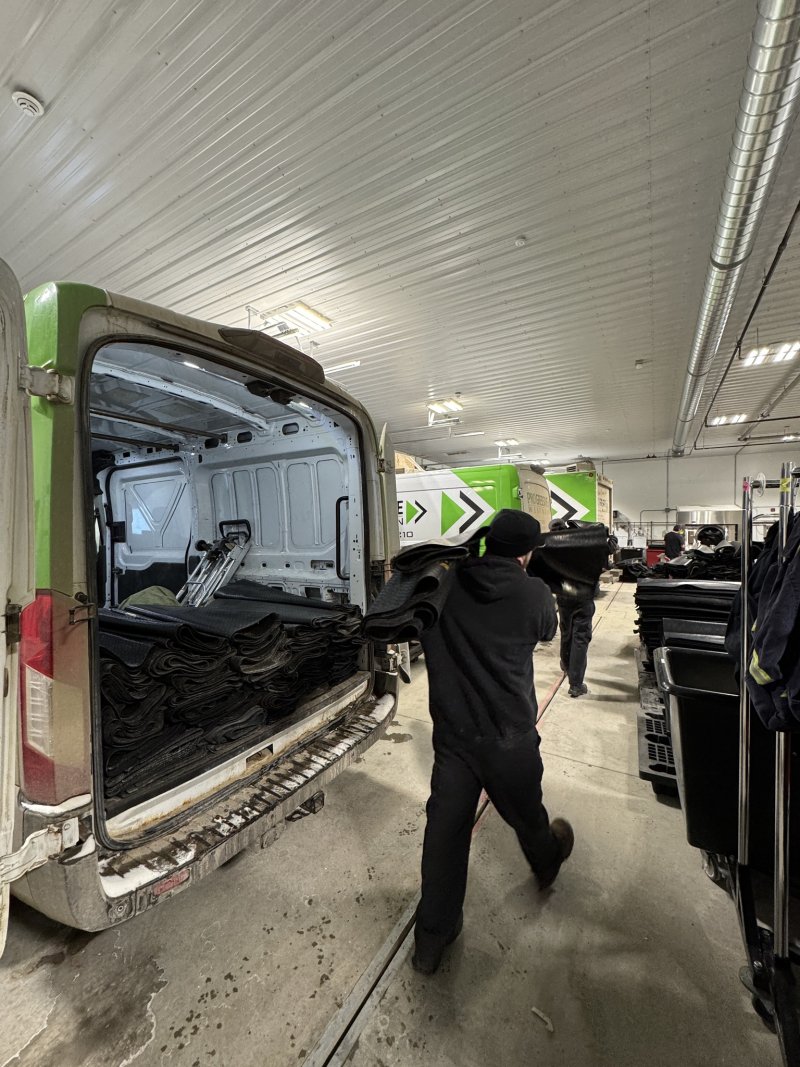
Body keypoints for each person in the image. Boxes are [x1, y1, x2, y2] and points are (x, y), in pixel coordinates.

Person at [412, 509, 575, 975]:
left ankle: (432, 938)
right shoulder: (533, 593)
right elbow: (547, 630)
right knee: (527, 815)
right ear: (526, 554)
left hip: (454, 737)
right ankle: (547, 862)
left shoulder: (444, 582)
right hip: (508, 737)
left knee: (445, 833)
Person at [548, 518, 596, 698]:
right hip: (582, 597)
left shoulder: (549, 547)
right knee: (580, 637)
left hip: (563, 597)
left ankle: (566, 664)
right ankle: (576, 684)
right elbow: (604, 549)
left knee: (566, 633)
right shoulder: (580, 543)